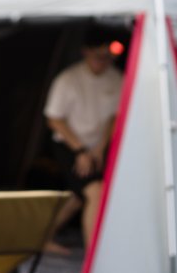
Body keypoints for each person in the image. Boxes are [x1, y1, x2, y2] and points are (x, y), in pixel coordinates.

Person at [43, 28, 123, 253]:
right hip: (68, 144)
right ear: (86, 52)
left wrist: (99, 149)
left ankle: (41, 238)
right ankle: (95, 254)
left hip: (95, 146)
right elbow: (54, 119)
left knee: (79, 196)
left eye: (108, 57)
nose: (103, 61)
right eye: (99, 56)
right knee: (95, 190)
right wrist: (79, 152)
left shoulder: (116, 78)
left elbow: (114, 118)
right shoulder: (69, 79)